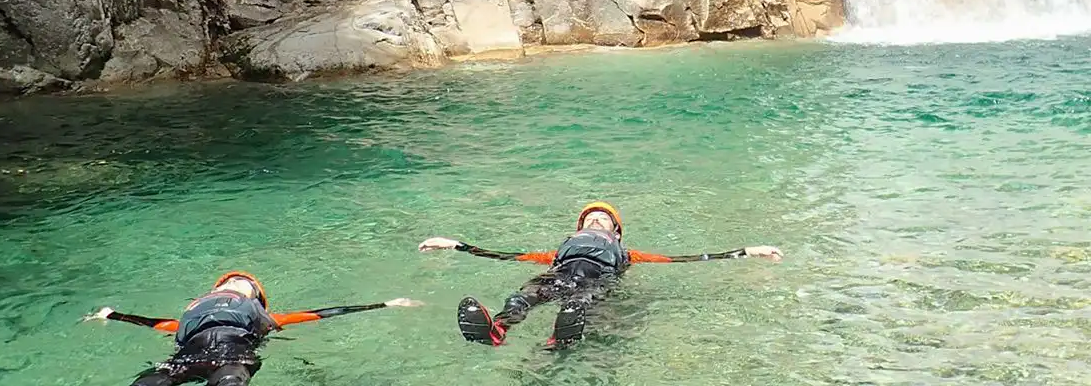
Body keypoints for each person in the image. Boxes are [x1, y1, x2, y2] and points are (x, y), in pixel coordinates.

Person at [416, 201, 783, 348]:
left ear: (615, 232)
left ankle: (558, 340)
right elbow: (503, 255)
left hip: (597, 281)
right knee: (520, 297)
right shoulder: (552, 255)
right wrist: (457, 245)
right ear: (577, 230)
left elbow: (687, 258)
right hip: (556, 275)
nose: (595, 220)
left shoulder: (628, 254)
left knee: (578, 305)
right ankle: (497, 330)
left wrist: (746, 251)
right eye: (589, 219)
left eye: (602, 219)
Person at [81, 271, 422, 385]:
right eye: (232, 282)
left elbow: (323, 313)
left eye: (242, 283)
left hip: (214, 355)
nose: (235, 283)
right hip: (208, 356)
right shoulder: (265, 317)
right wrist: (112, 315)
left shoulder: (268, 319)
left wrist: (385, 304)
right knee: (150, 381)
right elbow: (152, 323)